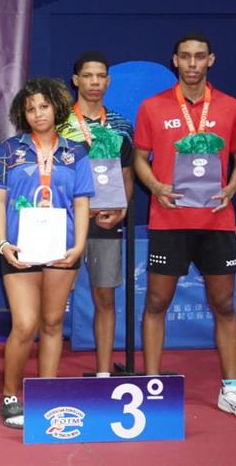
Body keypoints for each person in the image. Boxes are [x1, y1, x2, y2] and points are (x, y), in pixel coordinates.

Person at [134, 32, 236, 423]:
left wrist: (232, 188)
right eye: (185, 57)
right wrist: (154, 186)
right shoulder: (152, 107)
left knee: (224, 304)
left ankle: (232, 391)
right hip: (169, 220)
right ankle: (153, 388)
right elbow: (140, 157)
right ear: (175, 60)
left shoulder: (232, 107)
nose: (192, 63)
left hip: (216, 221)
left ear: (211, 60)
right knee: (156, 303)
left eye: (199, 57)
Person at [0, 78, 93, 429]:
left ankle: (46, 394)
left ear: (56, 107)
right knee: (25, 324)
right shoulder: (8, 150)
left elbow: (82, 203)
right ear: (23, 113)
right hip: (20, 249)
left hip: (63, 249)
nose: (38, 113)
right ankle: (10, 395)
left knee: (52, 324)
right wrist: (3, 244)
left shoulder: (75, 153)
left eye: (44, 106)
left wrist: (79, 245)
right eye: (31, 108)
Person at [59, 51, 134, 377]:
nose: (94, 82)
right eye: (88, 76)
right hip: (65, 225)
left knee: (105, 299)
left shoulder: (120, 124)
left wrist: (122, 209)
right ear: (76, 80)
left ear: (108, 80)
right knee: (54, 304)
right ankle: (51, 378)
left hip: (106, 224)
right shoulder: (60, 123)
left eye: (100, 76)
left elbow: (127, 176)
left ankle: (104, 375)